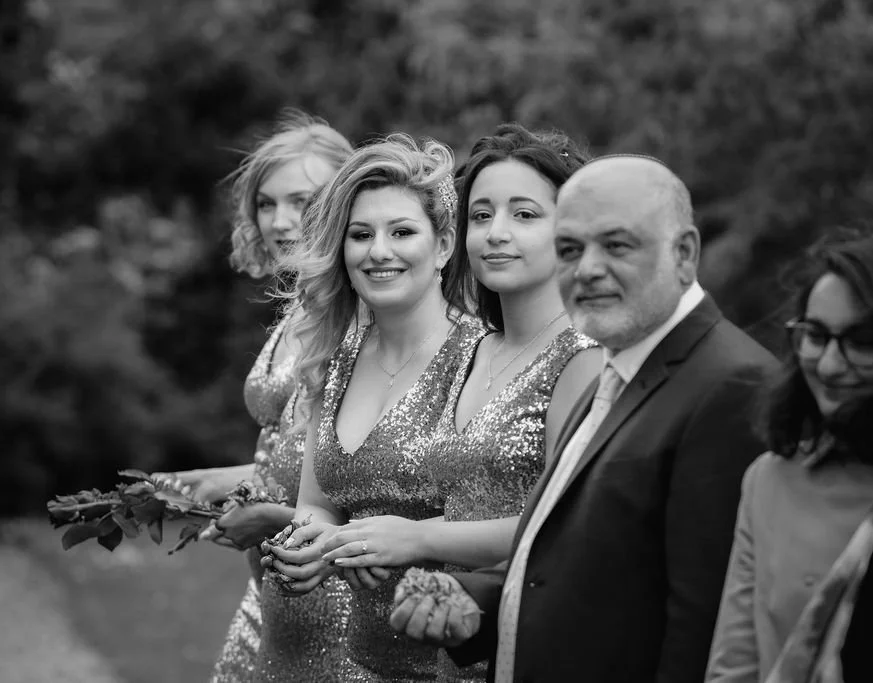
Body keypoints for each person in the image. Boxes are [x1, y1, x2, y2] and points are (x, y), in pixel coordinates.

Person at [390, 154, 778, 682]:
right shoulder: (617, 369)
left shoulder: (730, 385)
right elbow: (575, 560)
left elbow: (706, 622)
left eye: (616, 245)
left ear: (684, 254)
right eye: (570, 249)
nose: (588, 269)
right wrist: (473, 600)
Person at [316, 123, 601, 681]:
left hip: (527, 641)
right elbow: (460, 500)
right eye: (482, 215)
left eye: (524, 215)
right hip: (446, 646)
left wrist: (417, 537)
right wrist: (373, 543)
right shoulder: (478, 350)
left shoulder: (582, 355)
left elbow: (571, 528)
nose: (497, 233)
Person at [261, 133, 481, 681]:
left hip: (450, 662)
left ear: (445, 245)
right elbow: (317, 503)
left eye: (402, 232)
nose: (378, 251)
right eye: (361, 235)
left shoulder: (481, 356)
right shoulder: (337, 357)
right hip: (353, 662)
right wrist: (304, 546)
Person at [154, 111, 353, 682]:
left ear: (346, 202)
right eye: (266, 204)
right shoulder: (299, 309)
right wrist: (216, 481)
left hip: (329, 581)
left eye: (302, 201)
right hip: (265, 585)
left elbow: (363, 471)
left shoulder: (360, 315)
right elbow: (291, 450)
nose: (279, 221)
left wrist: (266, 513)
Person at [705, 232, 873, 682]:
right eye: (815, 336)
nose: (831, 365)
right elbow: (735, 665)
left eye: (862, 342)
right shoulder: (771, 480)